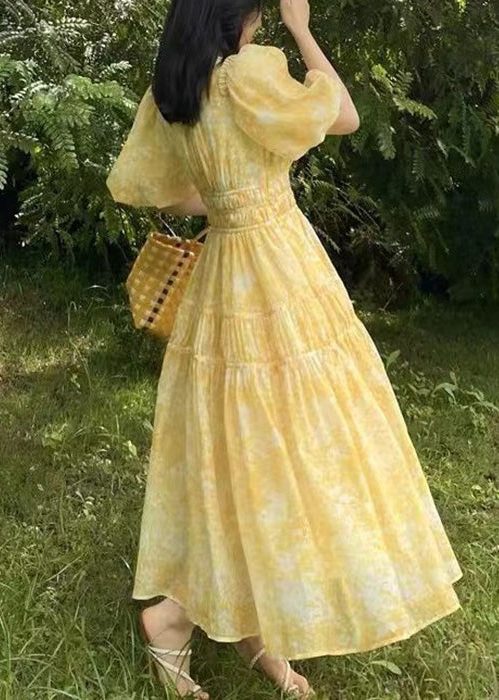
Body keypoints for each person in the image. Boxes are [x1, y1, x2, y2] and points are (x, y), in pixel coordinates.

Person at [106, 0, 464, 697]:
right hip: (276, 269)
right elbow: (344, 114)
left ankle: (246, 622)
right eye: (260, 16)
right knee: (292, 441)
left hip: (226, 274)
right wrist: (303, 30)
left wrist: (229, 192)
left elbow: (166, 196)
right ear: (236, 18)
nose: (263, 25)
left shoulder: (176, 88)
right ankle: (176, 616)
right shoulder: (249, 75)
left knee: (241, 445)